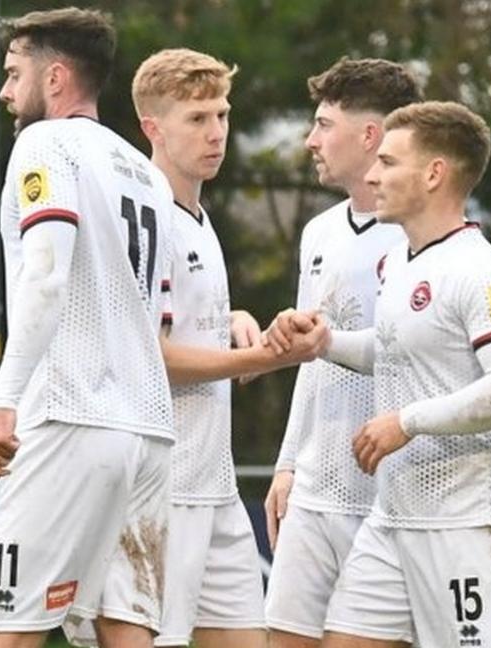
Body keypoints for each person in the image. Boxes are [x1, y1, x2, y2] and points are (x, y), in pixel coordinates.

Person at [262, 58, 491, 648]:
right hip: (394, 518)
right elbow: (394, 349)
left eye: (390, 164)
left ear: (434, 175)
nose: (375, 177)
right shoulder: (403, 260)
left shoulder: (482, 272)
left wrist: (407, 422)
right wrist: (326, 343)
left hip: (468, 521)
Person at [0, 8, 189, 648]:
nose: (6, 92)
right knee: (123, 631)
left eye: (14, 74)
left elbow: (45, 275)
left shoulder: (43, 144)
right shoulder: (147, 173)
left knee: (4, 635)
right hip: (146, 431)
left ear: (57, 77)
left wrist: (4, 402)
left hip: (69, 418)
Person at [126, 48, 325, 648]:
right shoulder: (147, 210)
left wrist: (234, 320)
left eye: (222, 115)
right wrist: (264, 359)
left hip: (214, 485)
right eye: (197, 119)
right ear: (152, 127)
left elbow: (181, 315)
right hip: (163, 488)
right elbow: (151, 357)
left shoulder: (198, 215)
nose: (216, 133)